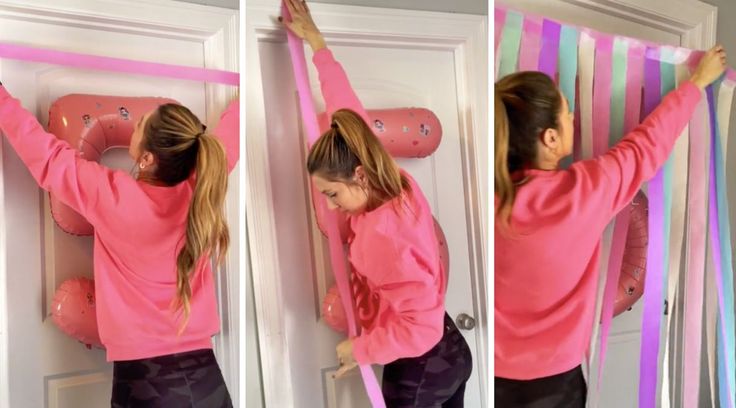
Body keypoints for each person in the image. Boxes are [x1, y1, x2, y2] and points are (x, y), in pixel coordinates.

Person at [494, 46, 727, 407]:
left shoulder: (490, 202)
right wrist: (696, 82)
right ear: (550, 138)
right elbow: (646, 145)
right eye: (567, 114)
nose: (573, 120)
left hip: (495, 379)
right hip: (556, 383)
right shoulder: (581, 193)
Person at [280, 0, 473, 406]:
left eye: (332, 194)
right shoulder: (391, 181)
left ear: (359, 176)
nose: (331, 207)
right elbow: (346, 110)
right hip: (451, 353)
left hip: (422, 366)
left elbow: (420, 330)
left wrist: (360, 350)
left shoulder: (382, 237)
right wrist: (317, 44)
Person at [0, 80, 239, 407]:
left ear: (147, 160)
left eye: (139, 125)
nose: (135, 126)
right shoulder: (202, 186)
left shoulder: (112, 195)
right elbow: (230, 138)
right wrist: (244, 98)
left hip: (146, 383)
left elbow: (47, 157)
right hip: (206, 377)